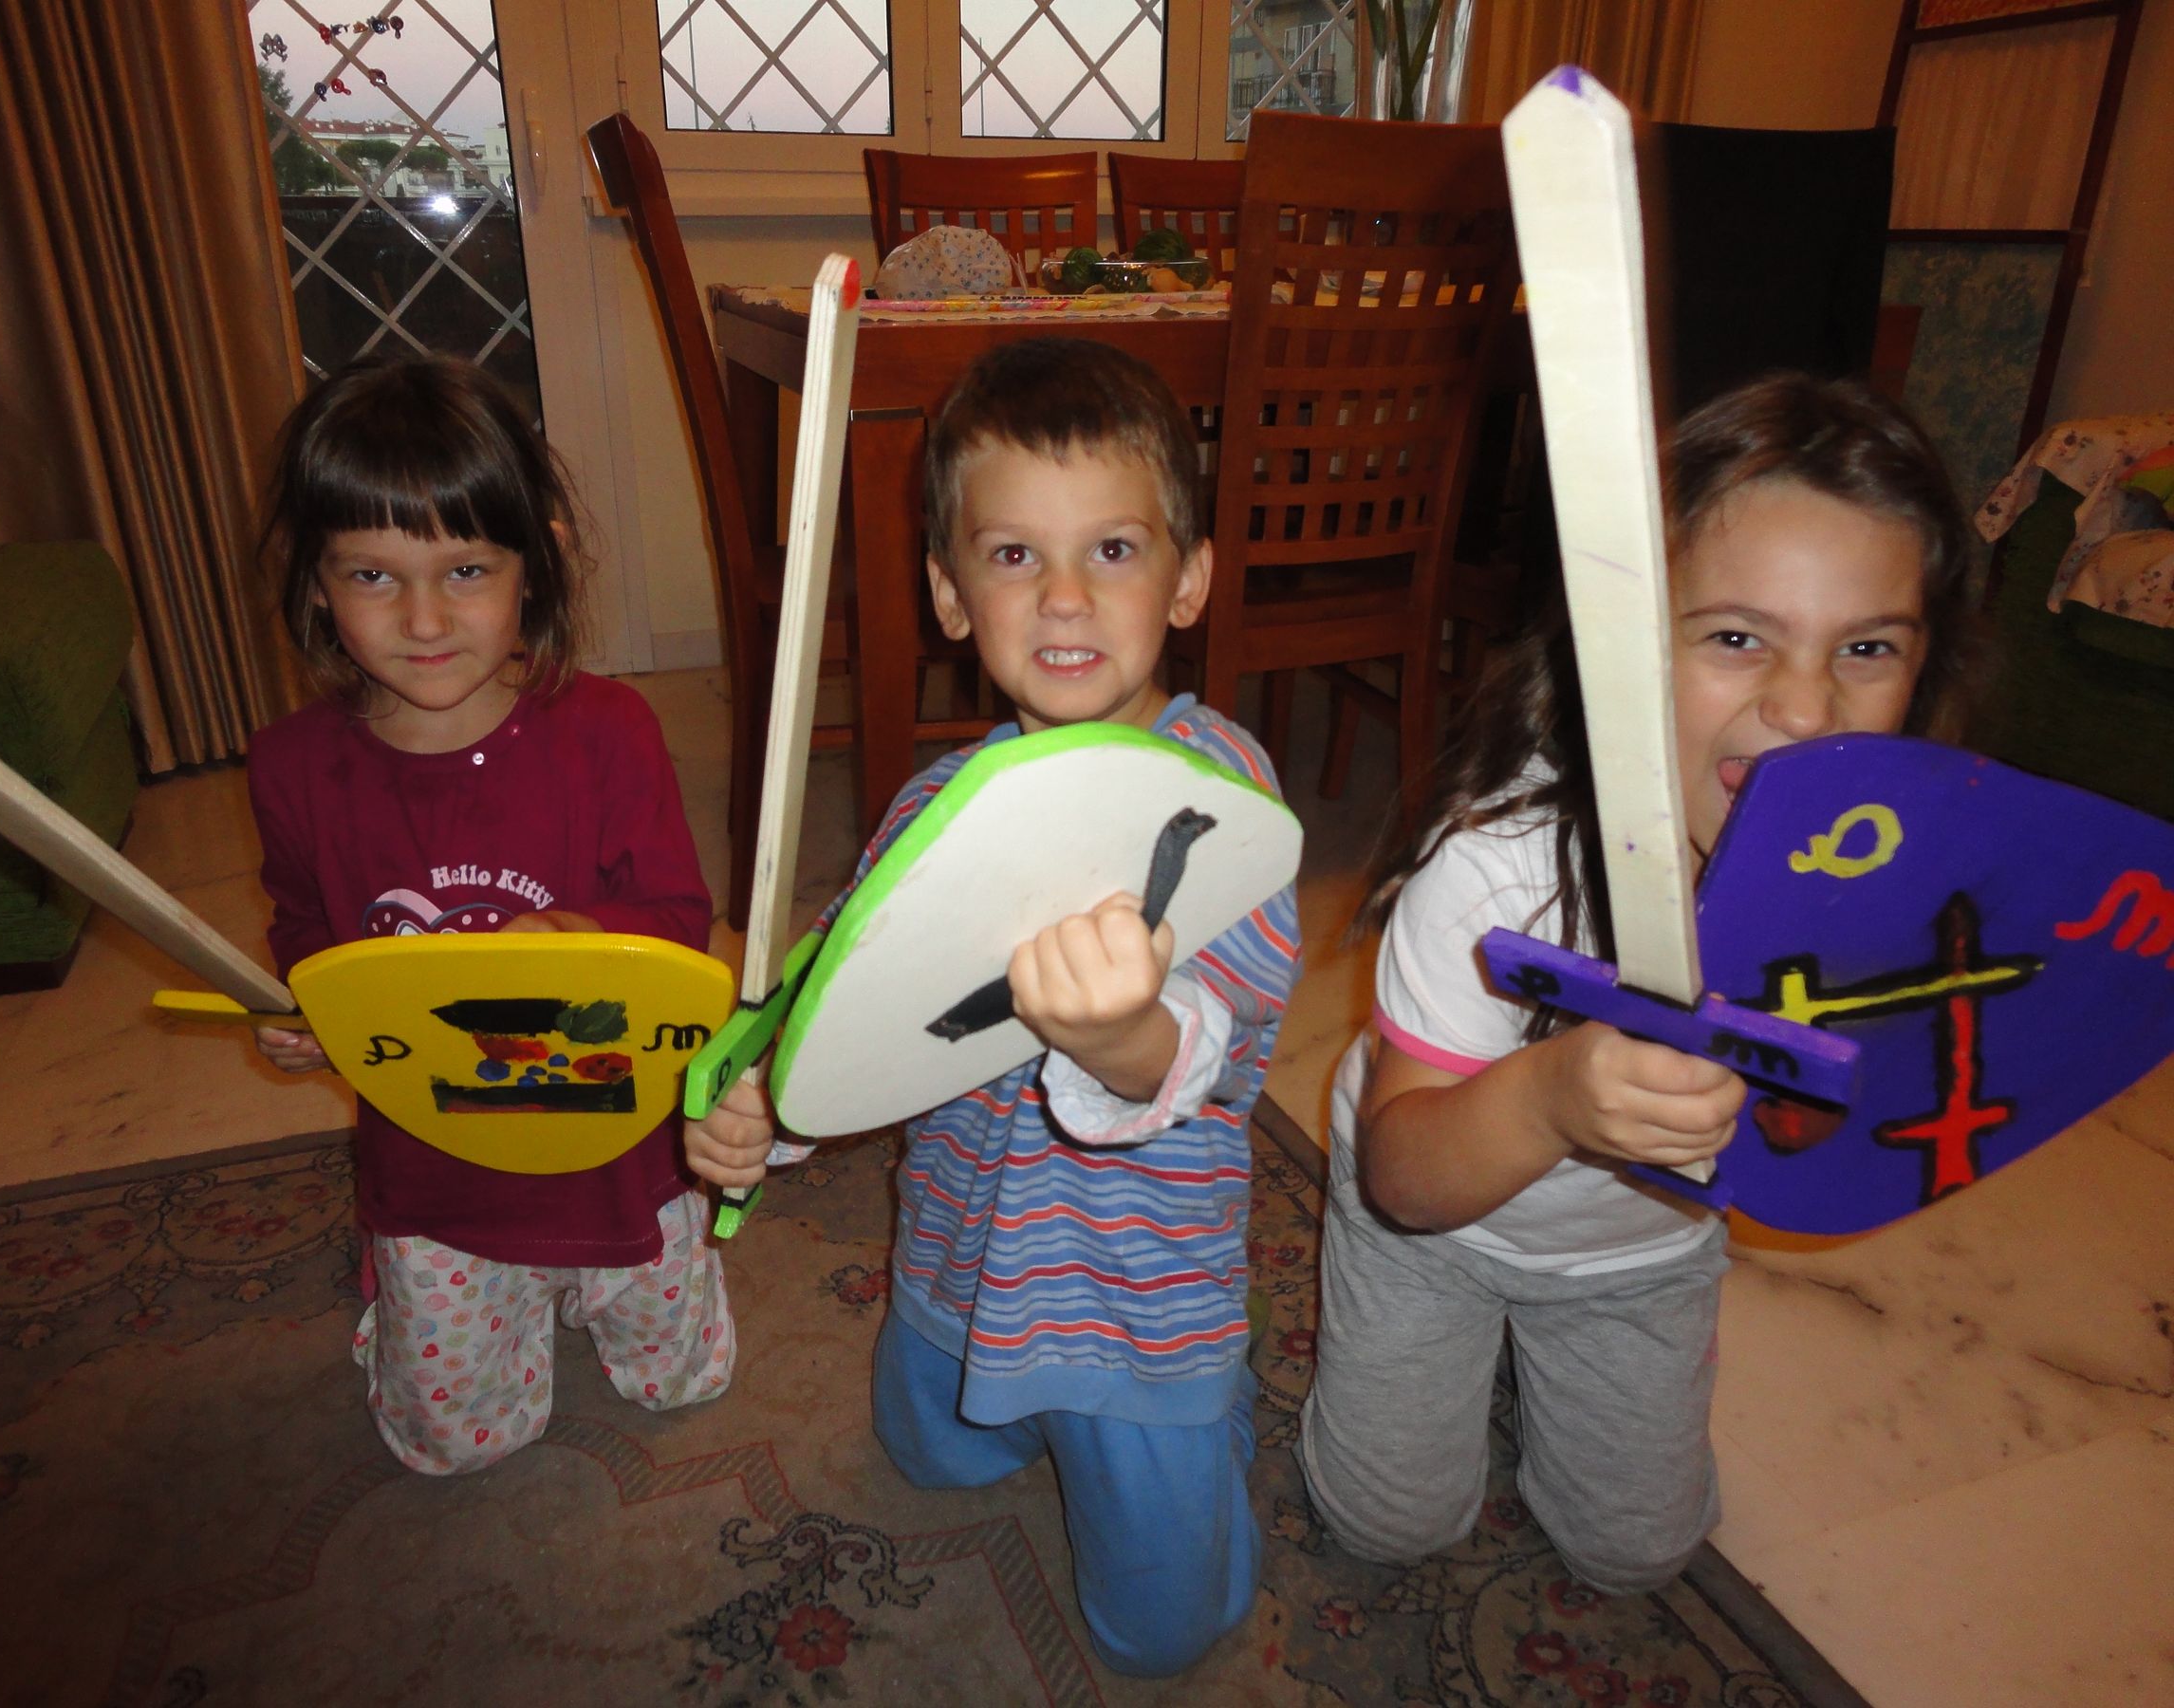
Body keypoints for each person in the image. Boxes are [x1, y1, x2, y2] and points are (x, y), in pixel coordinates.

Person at [1296, 374, 1984, 1593]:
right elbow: (1405, 1179)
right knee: (1386, 1526)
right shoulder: (1496, 871)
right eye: (1736, 637)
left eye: (1867, 648)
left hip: (1640, 1254)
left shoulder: (1902, 891)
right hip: (1434, 1216)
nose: (1805, 708)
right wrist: (1552, 1099)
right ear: (1618, 646)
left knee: (1638, 1555)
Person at [690, 338, 1303, 1677]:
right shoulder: (924, 811)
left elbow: (1221, 1038)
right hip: (964, 1257)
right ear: (951, 596)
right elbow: (844, 1015)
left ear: (1190, 579)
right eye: (1015, 555)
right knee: (929, 1457)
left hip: (1137, 1295)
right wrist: (764, 1112)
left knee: (1163, 1635)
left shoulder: (1223, 799)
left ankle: (1207, 1423)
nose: (1067, 599)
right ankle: (998, 1382)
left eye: (1117, 552)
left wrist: (1121, 1037)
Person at [249, 354, 772, 1476]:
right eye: (374, 576)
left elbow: (681, 922)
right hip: (439, 1168)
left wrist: (580, 942)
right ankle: (410, 1303)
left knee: (684, 1385)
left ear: (537, 561)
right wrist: (302, 1007)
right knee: (454, 1448)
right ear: (318, 580)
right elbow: (300, 922)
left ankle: (620, 1285)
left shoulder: (612, 730)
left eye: (467, 568)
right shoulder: (291, 765)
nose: (426, 618)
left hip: (622, 1150)